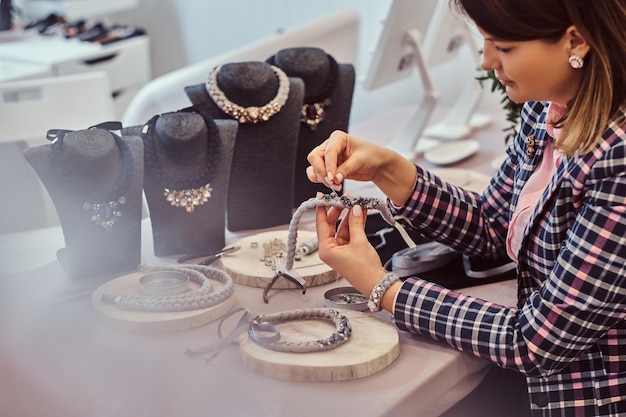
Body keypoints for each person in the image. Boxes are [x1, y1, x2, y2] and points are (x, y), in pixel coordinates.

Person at [306, 1, 626, 416]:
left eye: (504, 47)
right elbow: (496, 227)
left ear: (576, 40)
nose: (487, 61)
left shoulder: (618, 160)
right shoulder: (549, 107)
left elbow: (536, 343)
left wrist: (380, 286)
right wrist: (389, 168)